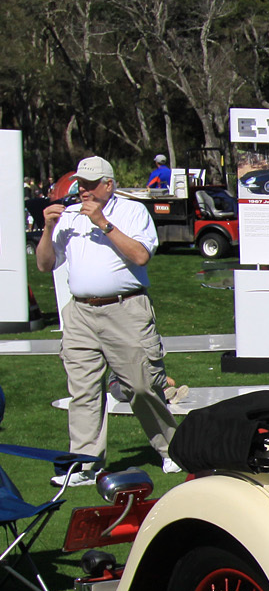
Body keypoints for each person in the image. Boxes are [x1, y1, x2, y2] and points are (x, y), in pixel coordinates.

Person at [34, 156, 180, 484]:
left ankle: (172, 449)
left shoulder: (131, 212)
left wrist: (103, 223)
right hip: (80, 312)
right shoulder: (68, 216)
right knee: (83, 389)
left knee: (141, 386)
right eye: (80, 185)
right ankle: (86, 464)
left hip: (125, 309)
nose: (82, 190)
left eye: (89, 184)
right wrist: (47, 228)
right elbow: (45, 265)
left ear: (108, 184)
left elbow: (141, 255)